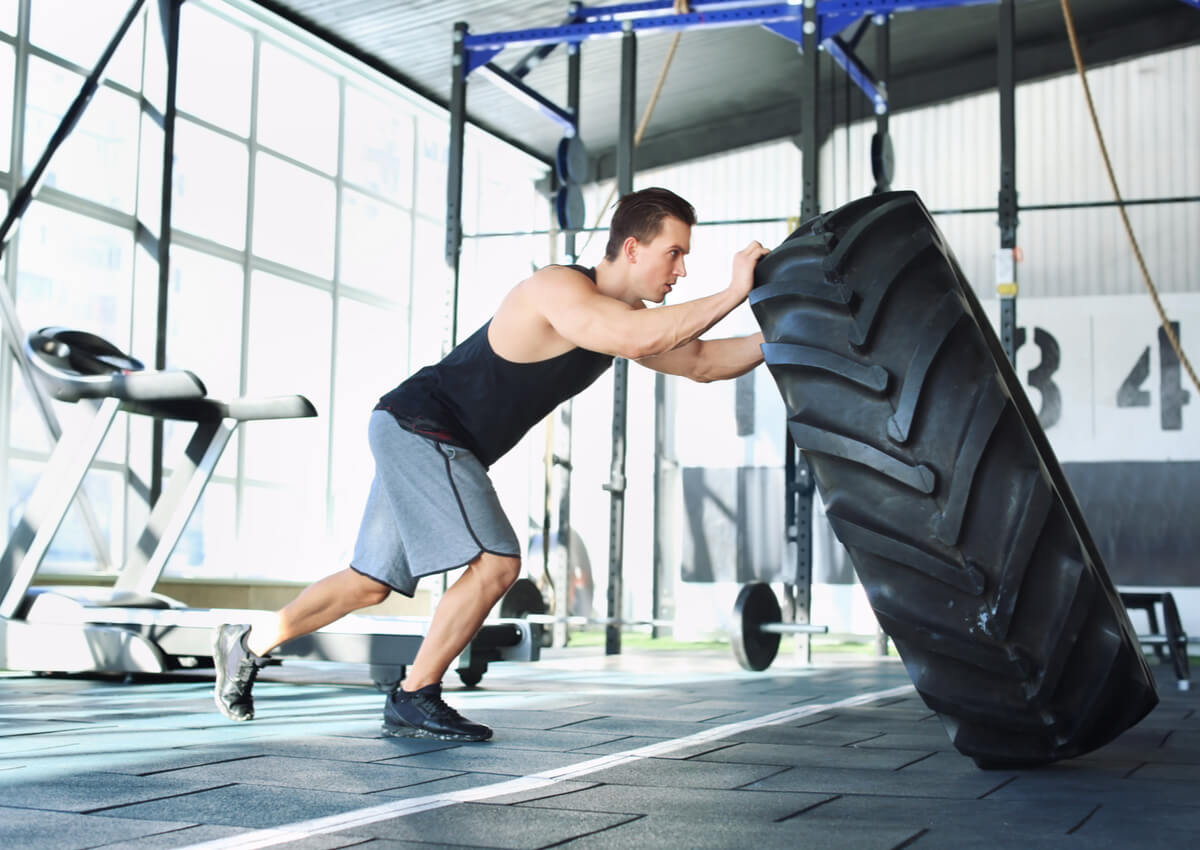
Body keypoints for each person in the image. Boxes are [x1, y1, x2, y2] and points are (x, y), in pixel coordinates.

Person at [212, 186, 769, 742]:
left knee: (369, 583)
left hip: (425, 436)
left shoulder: (630, 321)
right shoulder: (559, 288)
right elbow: (632, 335)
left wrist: (785, 334)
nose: (682, 270)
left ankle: (248, 643)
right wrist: (735, 290)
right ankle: (414, 695)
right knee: (497, 562)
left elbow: (702, 361)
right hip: (423, 426)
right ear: (631, 248)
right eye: (675, 253)